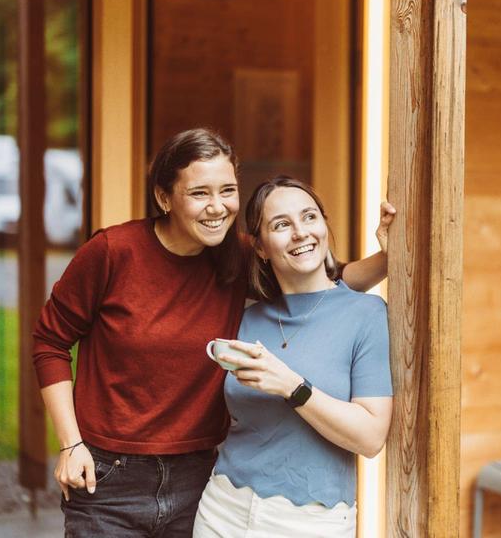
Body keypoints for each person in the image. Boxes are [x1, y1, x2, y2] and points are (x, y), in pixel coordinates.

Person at [32, 128, 395, 537]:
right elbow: (49, 342)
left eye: (227, 190)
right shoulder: (113, 252)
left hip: (197, 477)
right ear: (164, 198)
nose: (217, 207)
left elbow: (326, 278)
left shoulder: (238, 256)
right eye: (199, 193)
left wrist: (390, 255)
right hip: (109, 478)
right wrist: (69, 443)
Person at [193, 176, 393, 538]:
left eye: (310, 217)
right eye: (281, 225)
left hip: (309, 522)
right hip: (221, 510)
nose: (300, 232)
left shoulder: (367, 315)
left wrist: (292, 386)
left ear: (324, 226)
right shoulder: (250, 317)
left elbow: (371, 437)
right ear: (261, 248)